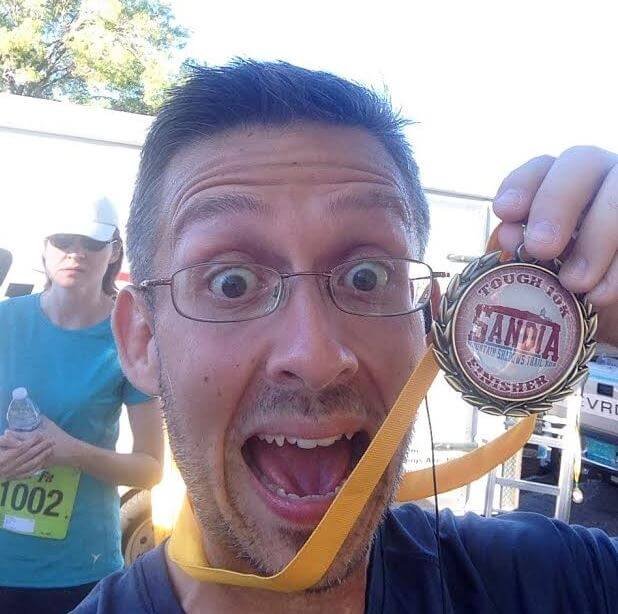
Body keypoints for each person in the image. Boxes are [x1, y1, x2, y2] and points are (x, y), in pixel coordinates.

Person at [76, 61, 617, 613]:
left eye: (367, 277)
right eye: (231, 283)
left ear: (431, 325)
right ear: (141, 339)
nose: (314, 357)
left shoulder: (555, 584)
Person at [0, 195, 164, 614]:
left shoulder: (128, 337)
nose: (76, 253)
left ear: (113, 251)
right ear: (43, 248)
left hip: (77, 571)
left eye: (91, 243)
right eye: (63, 240)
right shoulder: (5, 321)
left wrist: (71, 451)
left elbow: (150, 469)